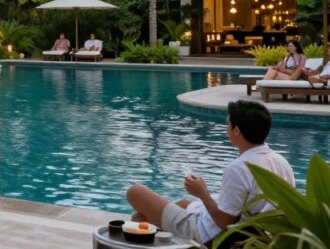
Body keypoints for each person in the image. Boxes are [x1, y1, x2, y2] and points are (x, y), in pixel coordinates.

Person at [125, 100, 294, 245]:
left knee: (136, 193)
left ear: (236, 130)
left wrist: (202, 193)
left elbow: (222, 222)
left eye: (228, 124)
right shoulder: (281, 162)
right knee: (181, 204)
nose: (226, 129)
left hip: (214, 235)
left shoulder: (240, 167)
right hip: (256, 233)